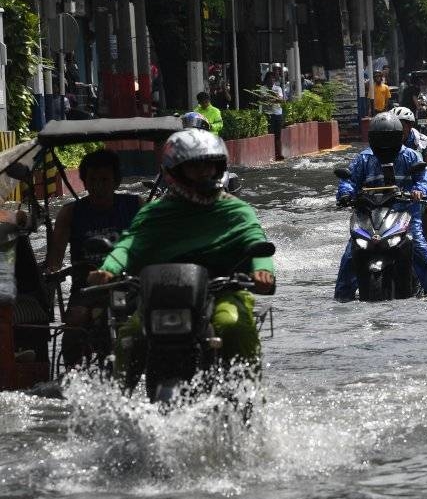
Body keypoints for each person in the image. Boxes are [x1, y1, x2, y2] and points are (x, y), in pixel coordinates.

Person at [86, 130, 275, 368]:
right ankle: (119, 401)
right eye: (195, 167)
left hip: (222, 292)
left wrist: (263, 272)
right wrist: (108, 269)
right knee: (131, 336)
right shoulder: (154, 213)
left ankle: (247, 396)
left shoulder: (237, 210)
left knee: (233, 326)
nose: (204, 173)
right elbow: (129, 245)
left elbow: (255, 241)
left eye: (209, 166)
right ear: (174, 172)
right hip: (161, 295)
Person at [46, 150, 143, 368]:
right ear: (85, 182)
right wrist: (49, 278)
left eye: (105, 180)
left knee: (138, 327)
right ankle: (72, 378)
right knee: (73, 328)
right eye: (93, 180)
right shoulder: (70, 213)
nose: (99, 186)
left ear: (116, 182)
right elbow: (55, 261)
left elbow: (149, 247)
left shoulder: (135, 206)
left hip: (126, 285)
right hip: (86, 288)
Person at [334, 113, 427, 300]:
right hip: (368, 217)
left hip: (404, 214)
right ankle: (342, 298)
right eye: (380, 137)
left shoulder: (410, 156)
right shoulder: (363, 159)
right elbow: (349, 181)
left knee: (423, 256)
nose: (385, 142)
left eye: (389, 137)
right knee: (349, 259)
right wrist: (346, 194)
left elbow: (425, 180)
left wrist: (418, 191)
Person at [390, 106, 427, 243]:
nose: (398, 130)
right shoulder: (386, 140)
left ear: (410, 125)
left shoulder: (422, 142)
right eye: (394, 125)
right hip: (394, 186)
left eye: (401, 126)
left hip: (420, 184)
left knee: (426, 208)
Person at [261, 71, 286, 160]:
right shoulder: (263, 88)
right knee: (270, 134)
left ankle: (279, 154)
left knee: (278, 135)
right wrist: (274, 98)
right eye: (270, 79)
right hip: (268, 114)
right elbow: (264, 99)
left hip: (278, 113)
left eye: (273, 79)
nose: (271, 81)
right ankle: (271, 154)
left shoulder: (278, 88)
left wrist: (272, 99)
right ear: (266, 80)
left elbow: (280, 100)